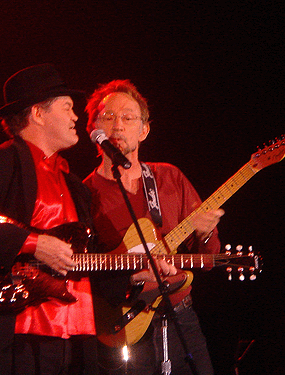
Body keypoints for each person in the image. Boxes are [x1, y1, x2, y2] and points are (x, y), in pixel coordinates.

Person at [0, 63, 98, 375]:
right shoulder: (2, 160)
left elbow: (92, 257)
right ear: (38, 114)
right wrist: (33, 243)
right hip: (20, 330)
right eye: (67, 107)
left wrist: (142, 269)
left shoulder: (76, 186)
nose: (76, 117)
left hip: (73, 335)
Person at [83, 79, 224, 375]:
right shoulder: (84, 194)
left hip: (180, 317)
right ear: (93, 129)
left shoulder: (169, 178)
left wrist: (205, 232)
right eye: (108, 117)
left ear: (144, 130)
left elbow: (210, 255)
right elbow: (83, 271)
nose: (118, 126)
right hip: (123, 325)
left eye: (128, 117)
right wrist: (131, 276)